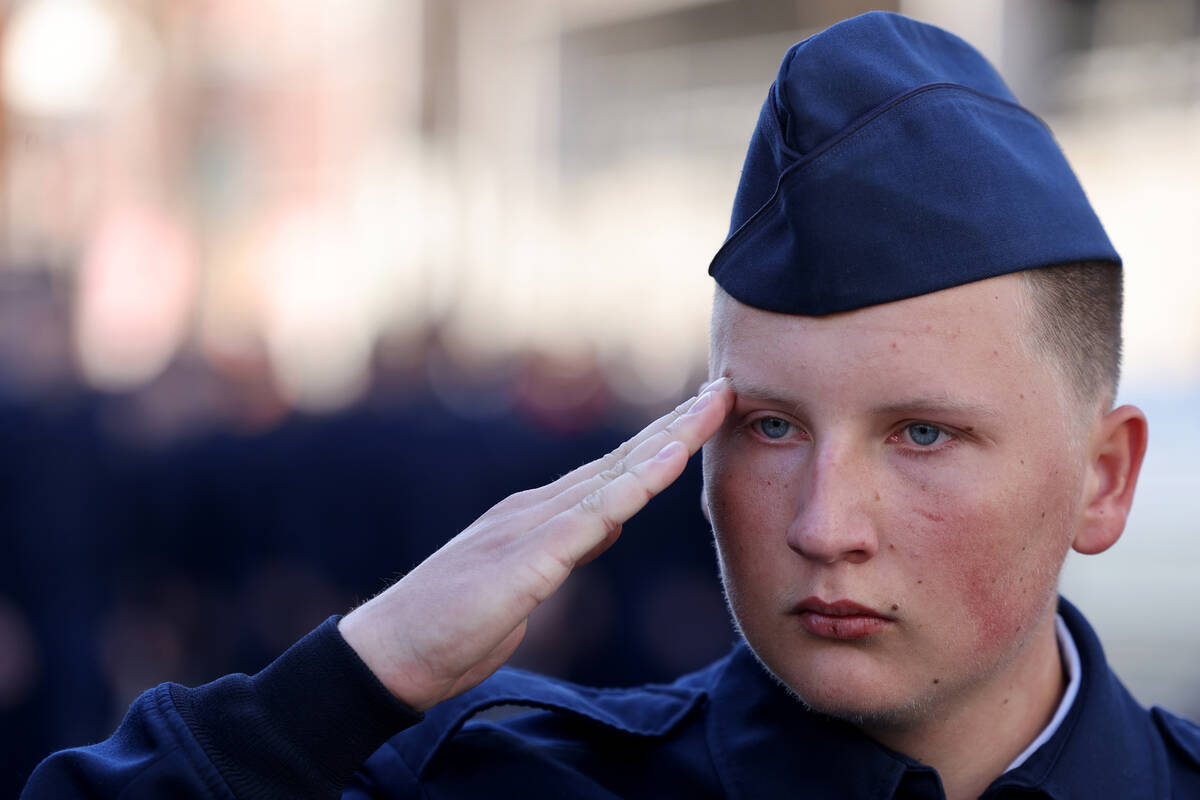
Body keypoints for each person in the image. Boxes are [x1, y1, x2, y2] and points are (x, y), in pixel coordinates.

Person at [22, 11, 1200, 800]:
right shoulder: (506, 779)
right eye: (769, 425)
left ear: (1103, 476)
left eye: (923, 432)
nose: (823, 521)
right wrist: (354, 675)